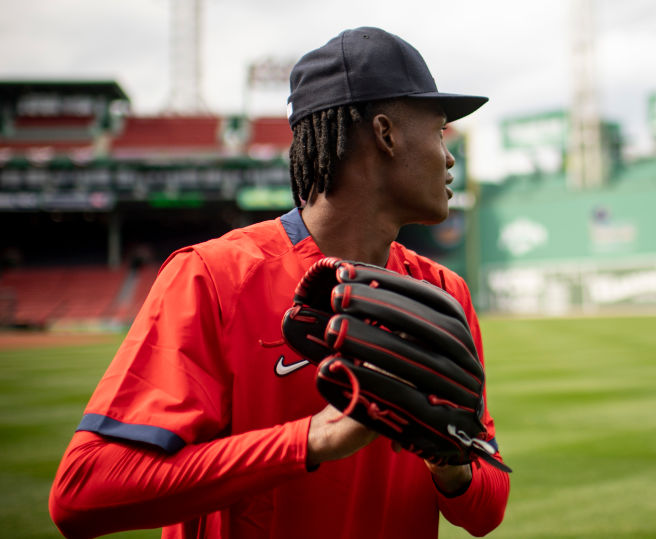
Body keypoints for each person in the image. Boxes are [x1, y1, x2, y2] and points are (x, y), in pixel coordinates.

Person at [48, 26, 510, 539]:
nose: (449, 158)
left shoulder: (444, 293)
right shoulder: (213, 276)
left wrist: (451, 462)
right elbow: (82, 491)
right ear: (386, 134)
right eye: (440, 132)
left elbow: (485, 512)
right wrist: (309, 440)